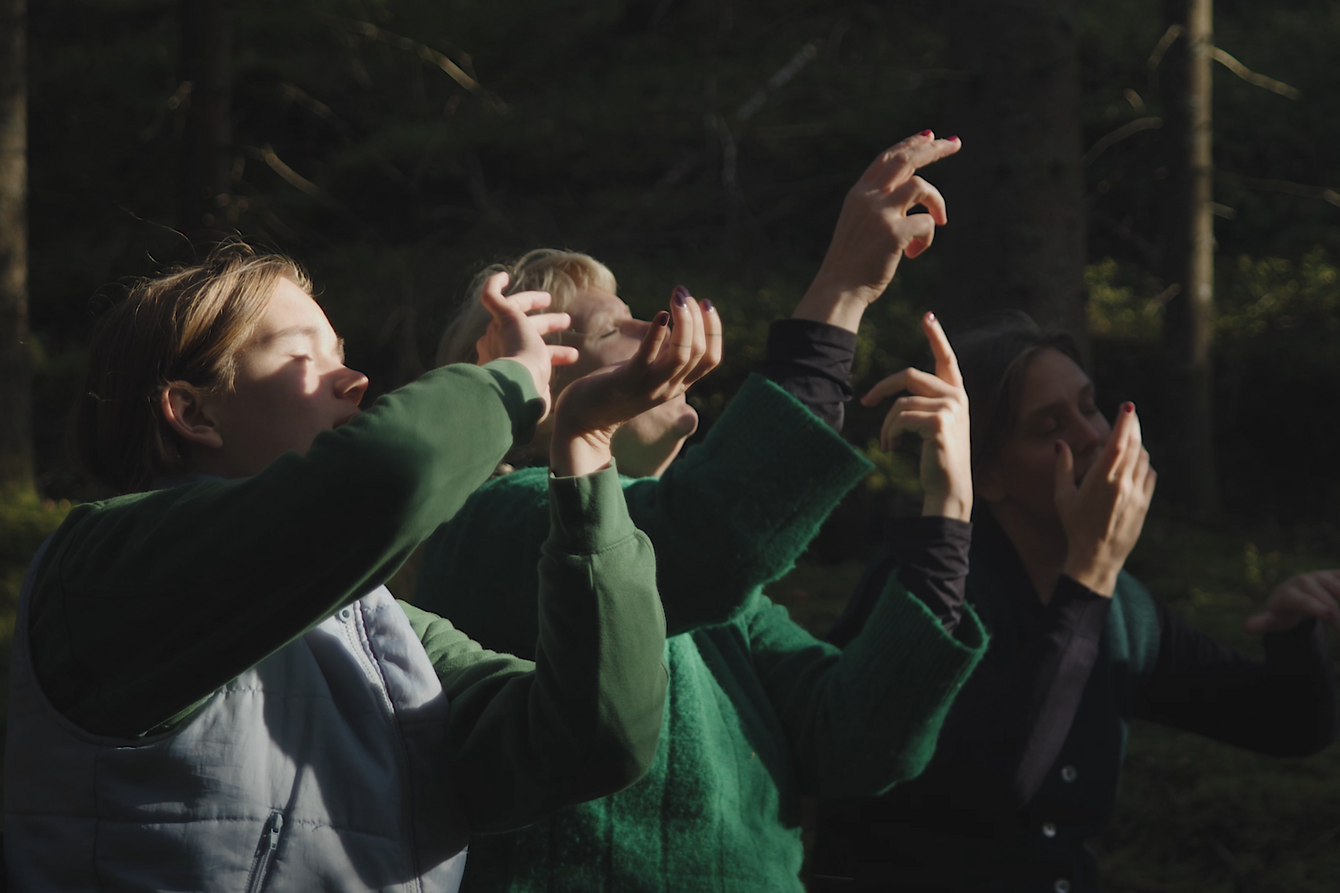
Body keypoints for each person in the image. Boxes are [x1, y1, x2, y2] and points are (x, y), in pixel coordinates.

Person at [3, 242, 694, 892]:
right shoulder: (103, 574)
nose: (358, 380)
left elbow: (593, 740)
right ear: (192, 410)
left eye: (344, 352)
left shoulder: (384, 631)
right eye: (303, 353)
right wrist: (509, 382)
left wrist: (587, 445)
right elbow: (387, 474)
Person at [413, 131, 988, 892]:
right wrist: (842, 289)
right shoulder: (488, 523)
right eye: (613, 324)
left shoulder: (717, 599)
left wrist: (947, 511)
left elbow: (858, 742)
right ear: (540, 383)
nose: (659, 323)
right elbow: (713, 535)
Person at [813, 310, 1339, 893]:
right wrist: (1090, 573)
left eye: (1089, 406)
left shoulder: (1120, 609)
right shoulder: (930, 593)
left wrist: (1294, 630)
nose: (1093, 435)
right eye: (1049, 427)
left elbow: (1288, 727)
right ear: (986, 475)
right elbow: (996, 786)